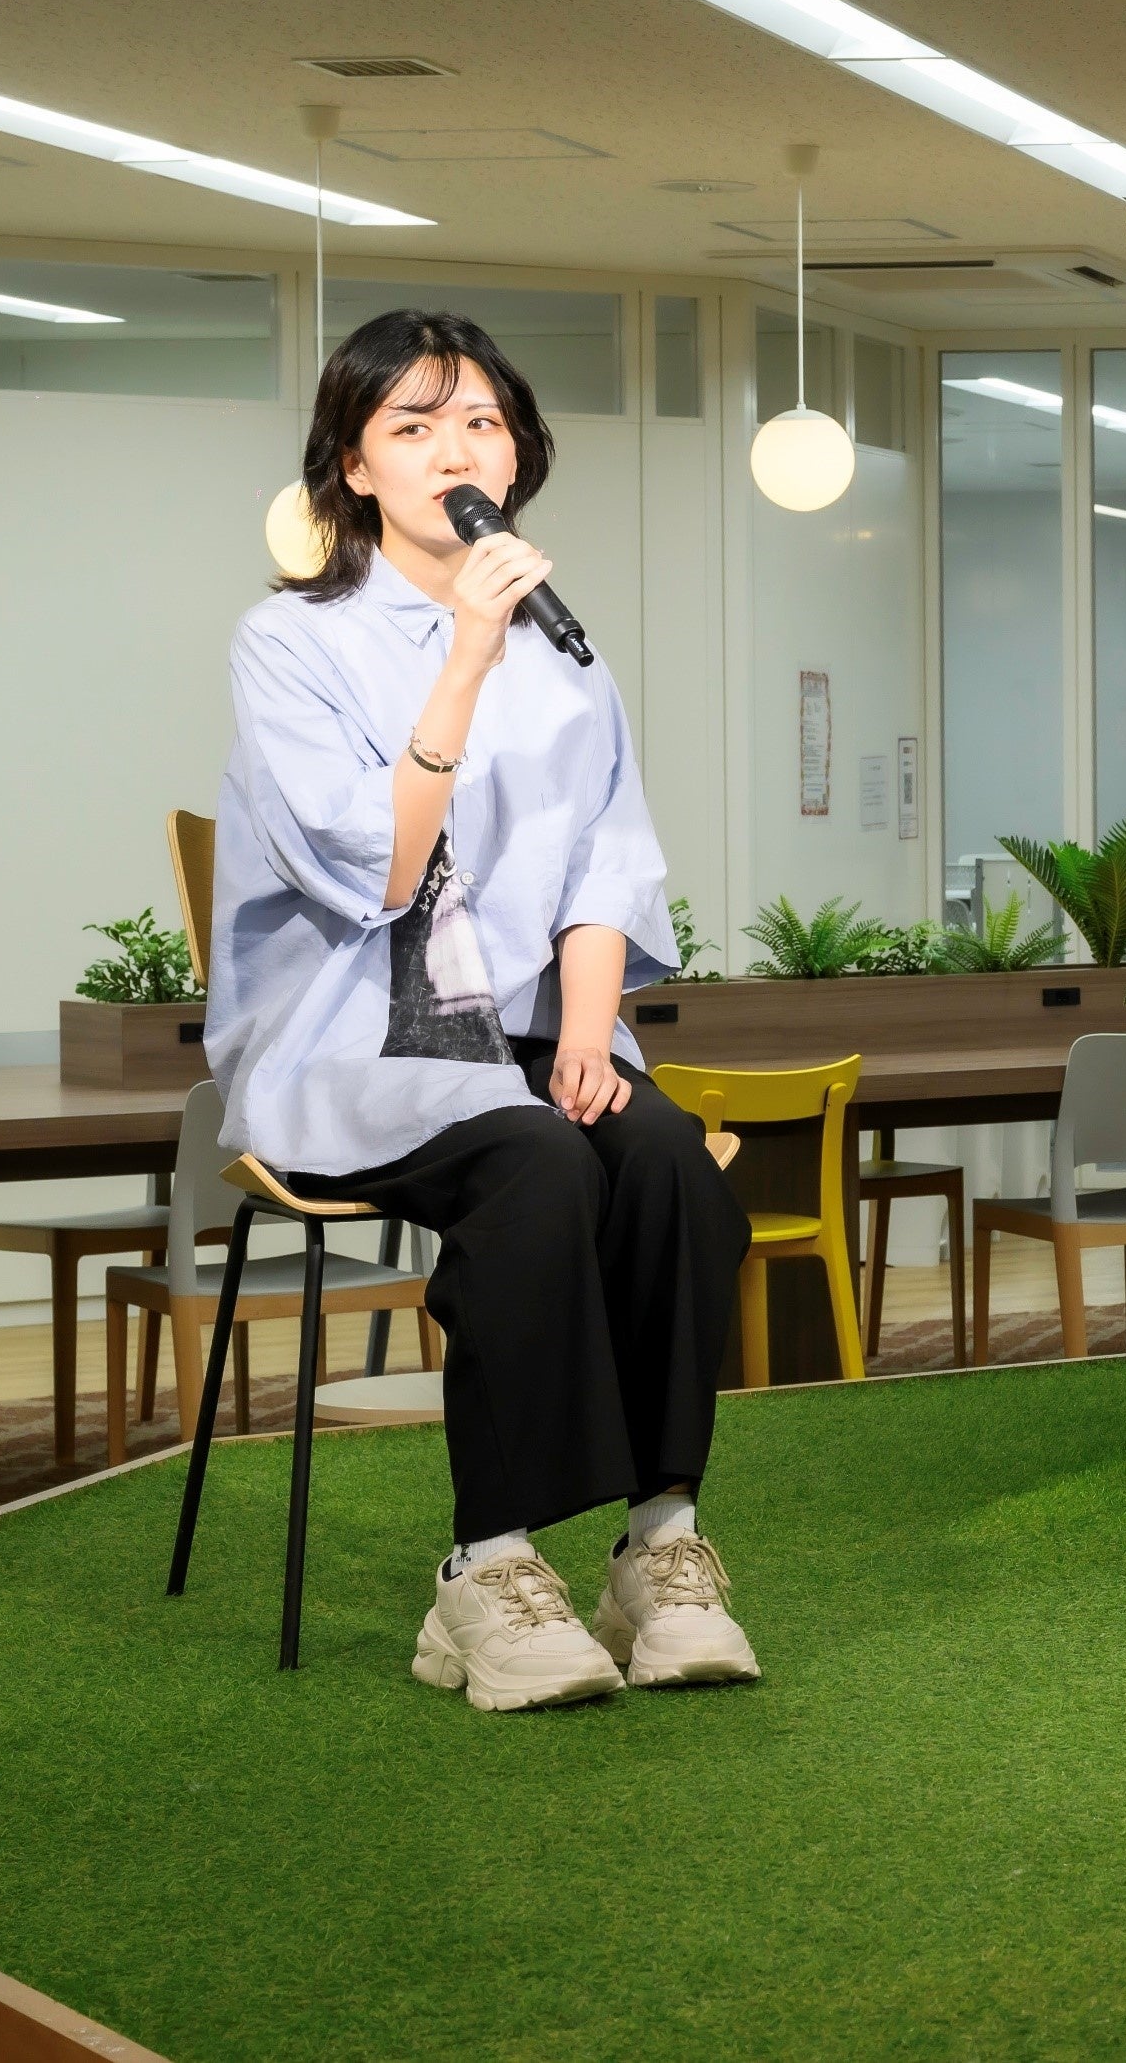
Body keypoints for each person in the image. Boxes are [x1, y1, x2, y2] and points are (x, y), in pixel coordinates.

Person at [211, 308, 759, 1714]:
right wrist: (463, 652)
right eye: (413, 426)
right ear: (353, 468)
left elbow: (607, 863)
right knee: (535, 1164)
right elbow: (380, 874)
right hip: (360, 1038)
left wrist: (587, 1034)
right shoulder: (292, 642)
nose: (455, 450)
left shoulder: (572, 657)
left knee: (668, 1162)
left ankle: (661, 1542)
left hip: (527, 1028)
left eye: (481, 423)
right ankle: (489, 1564)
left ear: (516, 458)